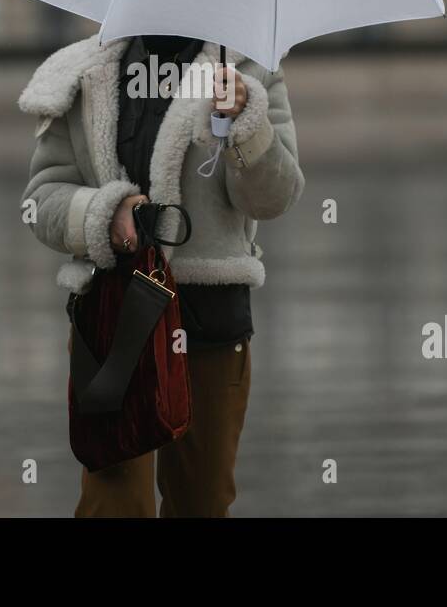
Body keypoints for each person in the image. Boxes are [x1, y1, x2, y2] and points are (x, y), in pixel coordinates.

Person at [19, 33, 304, 516]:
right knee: (111, 502)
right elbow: (38, 201)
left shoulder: (250, 73)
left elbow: (274, 199)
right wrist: (105, 215)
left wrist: (246, 124)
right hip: (111, 318)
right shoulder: (79, 73)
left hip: (210, 321)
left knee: (202, 501)